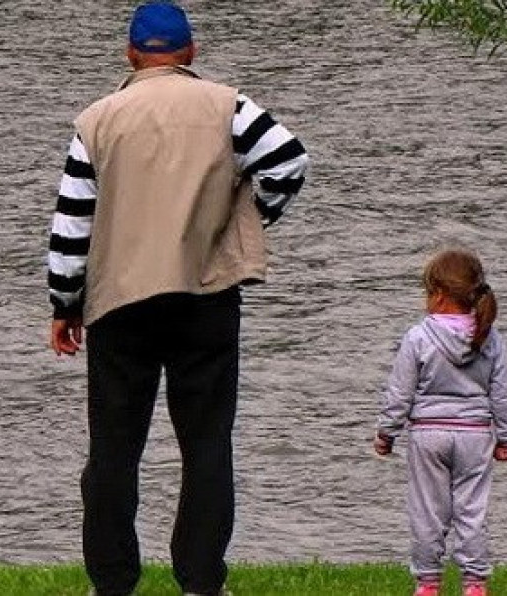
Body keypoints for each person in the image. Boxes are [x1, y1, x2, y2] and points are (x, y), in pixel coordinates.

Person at [46, 2, 309, 594]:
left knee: (113, 452)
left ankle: (112, 582)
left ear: (131, 54)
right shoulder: (229, 106)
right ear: (190, 52)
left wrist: (65, 304)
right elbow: (289, 160)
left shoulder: (97, 120)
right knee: (207, 445)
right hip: (206, 296)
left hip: (119, 303)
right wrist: (245, 221)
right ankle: (200, 582)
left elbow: (71, 224)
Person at [373, 249, 507, 596]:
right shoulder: (489, 338)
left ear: (437, 294)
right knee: (472, 512)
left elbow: (400, 392)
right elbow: (503, 393)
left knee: (428, 512)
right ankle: (474, 584)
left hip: (428, 435)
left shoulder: (418, 337)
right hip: (475, 437)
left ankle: (427, 583)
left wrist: (386, 432)